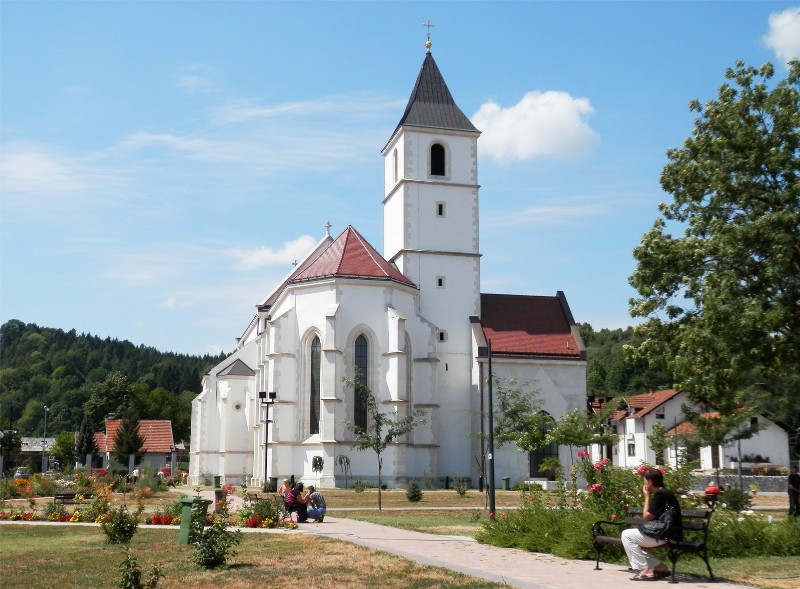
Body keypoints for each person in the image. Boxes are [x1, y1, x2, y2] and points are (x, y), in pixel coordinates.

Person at [621, 467, 682, 581]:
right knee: (634, 543)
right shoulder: (666, 493)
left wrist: (647, 496)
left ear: (649, 482)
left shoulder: (660, 495)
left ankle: (645, 570)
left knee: (626, 535)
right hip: (671, 533)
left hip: (665, 534)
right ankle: (660, 567)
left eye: (644, 480)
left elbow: (647, 516)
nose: (643, 483)